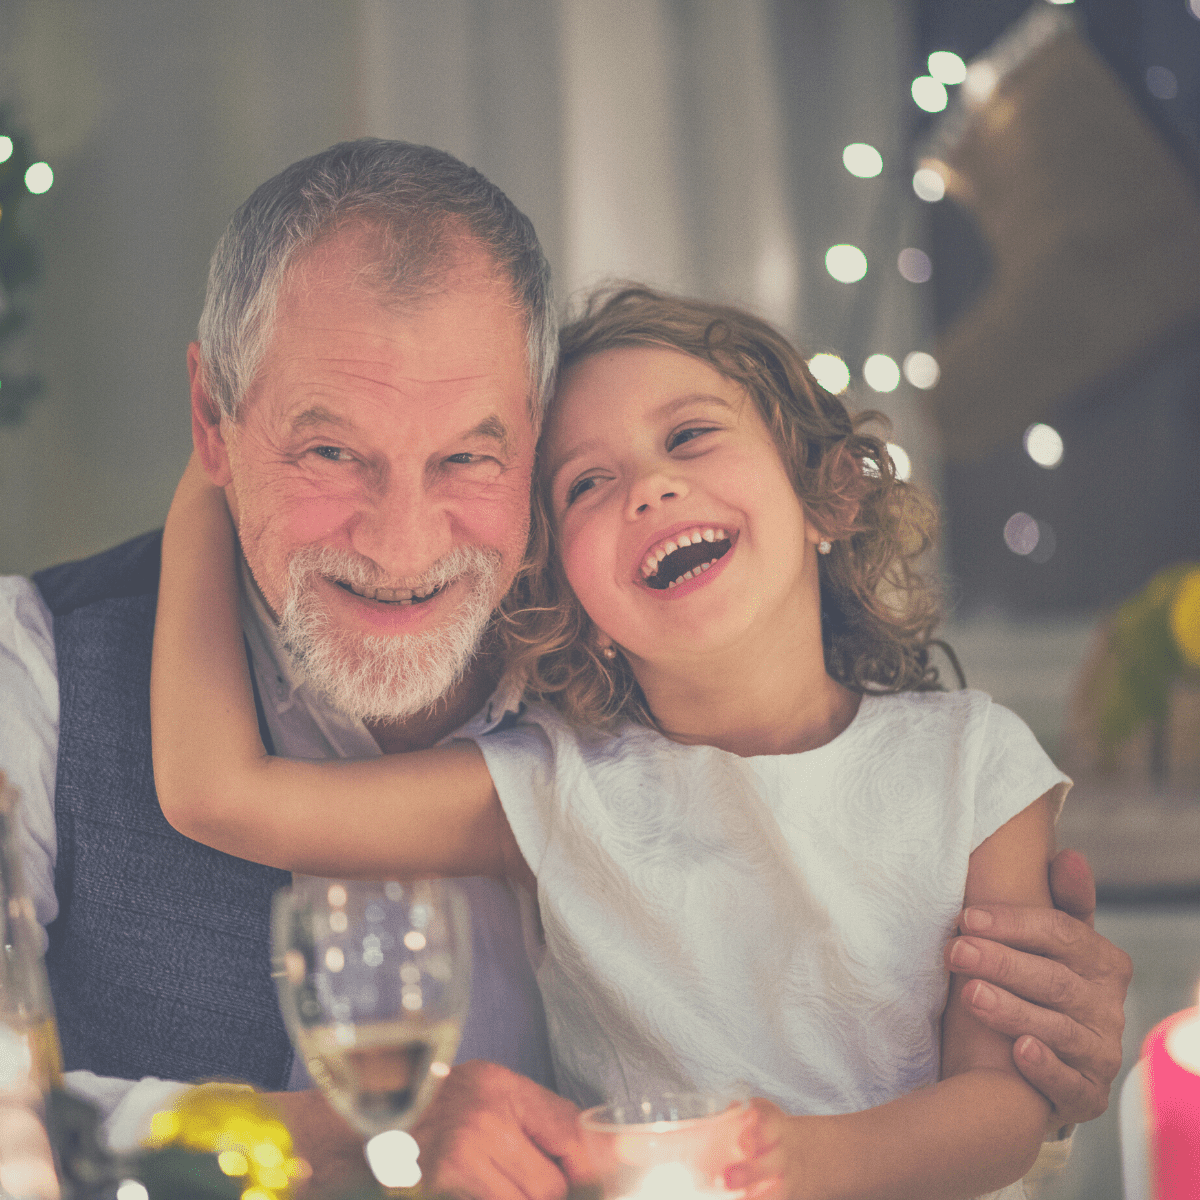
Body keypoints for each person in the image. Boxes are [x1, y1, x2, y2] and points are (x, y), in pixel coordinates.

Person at [0, 140, 1129, 1197]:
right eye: (329, 450)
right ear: (214, 416)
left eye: (467, 457)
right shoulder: (39, 670)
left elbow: (978, 1066)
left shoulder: (632, 665)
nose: (400, 545)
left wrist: (1031, 1049)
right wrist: (360, 1139)